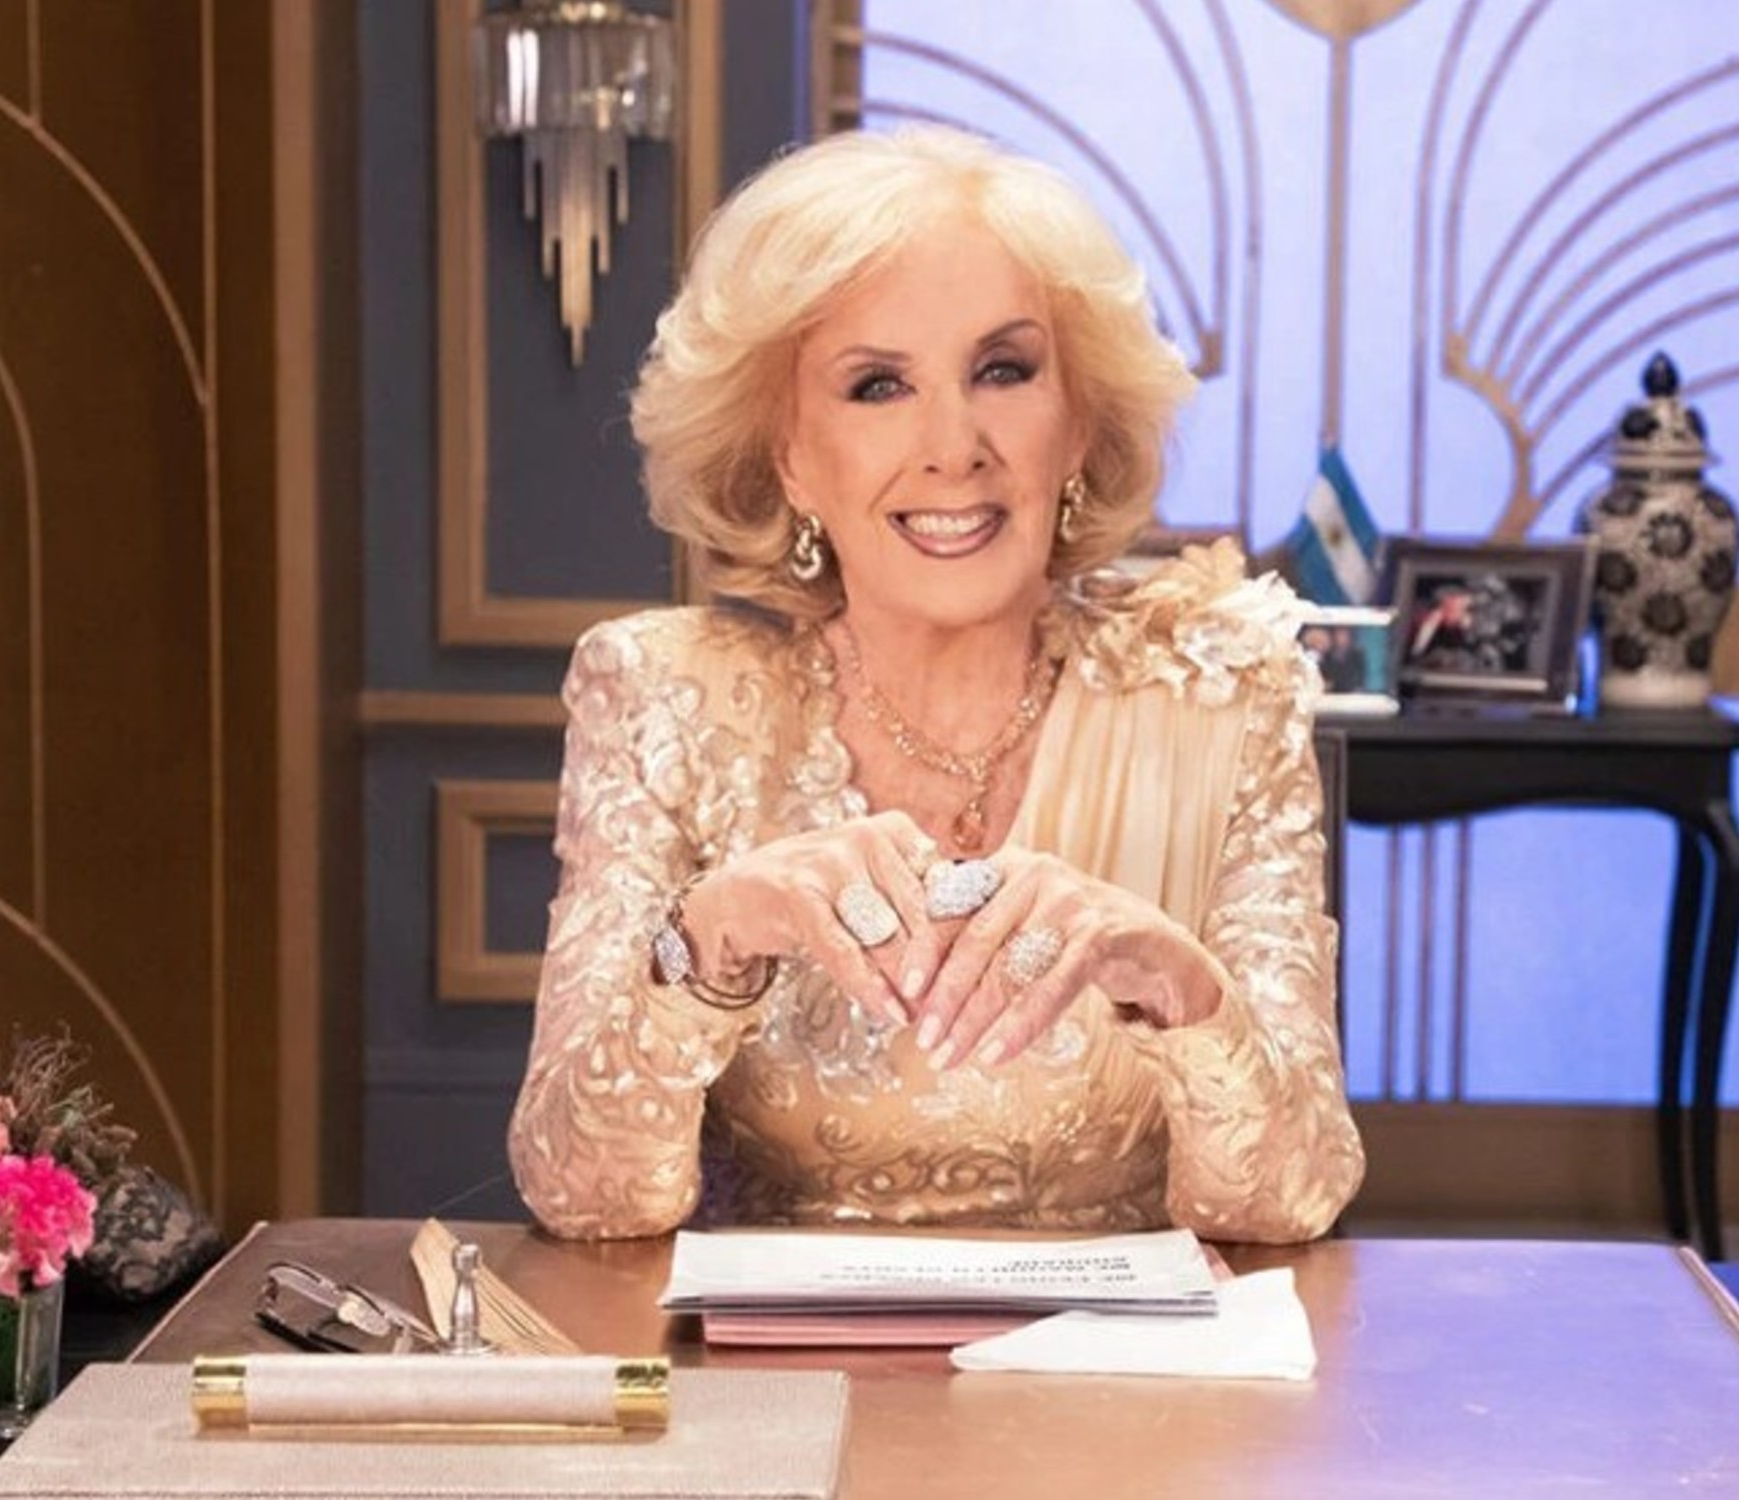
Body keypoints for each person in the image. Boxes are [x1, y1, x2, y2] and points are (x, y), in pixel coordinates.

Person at [508, 126, 1364, 1243]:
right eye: (877, 386)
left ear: (1076, 423)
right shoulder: (665, 699)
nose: (953, 446)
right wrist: (710, 941)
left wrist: (1179, 989)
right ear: (787, 455)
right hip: (777, 1358)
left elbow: (1289, 1197)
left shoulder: (1221, 698)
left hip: (1123, 1356)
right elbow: (583, 1192)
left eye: (1002, 371)